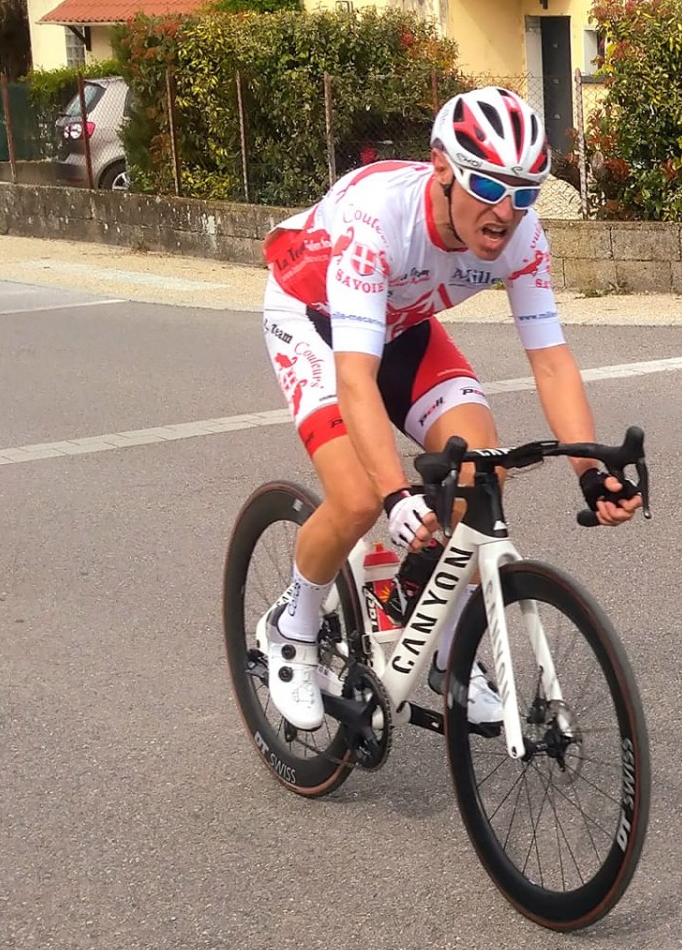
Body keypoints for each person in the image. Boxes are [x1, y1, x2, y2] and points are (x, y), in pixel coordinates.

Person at [256, 86, 639, 733]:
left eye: (524, 193)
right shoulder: (378, 221)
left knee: (479, 468)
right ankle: (292, 626)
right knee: (355, 497)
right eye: (489, 187)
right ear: (443, 169)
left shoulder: (524, 239)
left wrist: (588, 469)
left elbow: (550, 360)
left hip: (401, 328)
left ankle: (443, 646)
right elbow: (356, 377)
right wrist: (395, 495)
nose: (506, 212)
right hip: (314, 320)